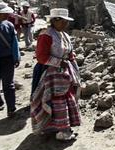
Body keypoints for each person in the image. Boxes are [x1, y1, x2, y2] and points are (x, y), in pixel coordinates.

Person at [30, 8, 81, 141]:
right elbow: (41, 57)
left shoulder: (64, 35)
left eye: (66, 22)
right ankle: (59, 130)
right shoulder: (46, 35)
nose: (66, 24)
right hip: (49, 74)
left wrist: (72, 61)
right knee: (55, 101)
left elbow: (69, 52)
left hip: (63, 74)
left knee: (65, 100)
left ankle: (62, 127)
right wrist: (59, 62)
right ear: (55, 21)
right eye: (64, 21)